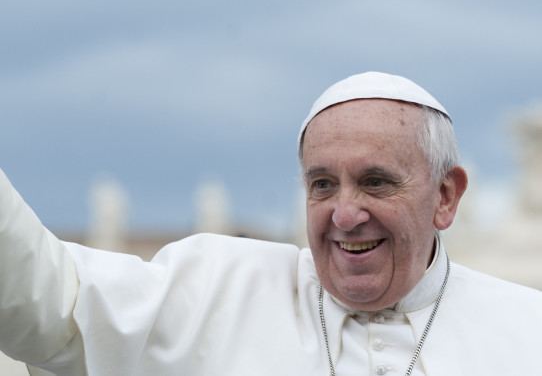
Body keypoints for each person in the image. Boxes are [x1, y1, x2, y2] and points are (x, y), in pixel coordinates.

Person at [1, 72, 541, 376]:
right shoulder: (214, 287)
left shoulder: (528, 331)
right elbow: (53, 305)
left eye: (376, 182)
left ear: (446, 197)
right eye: (322, 184)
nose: (346, 215)